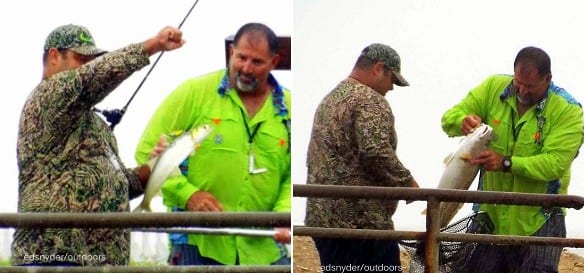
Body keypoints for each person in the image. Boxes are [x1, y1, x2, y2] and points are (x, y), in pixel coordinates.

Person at [12, 24, 185, 266]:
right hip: (53, 258)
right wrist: (153, 45)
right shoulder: (46, 98)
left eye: (92, 60)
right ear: (53, 57)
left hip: (101, 262)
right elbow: (93, 77)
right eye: (81, 59)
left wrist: (154, 167)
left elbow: (120, 186)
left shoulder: (96, 125)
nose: (88, 66)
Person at [134, 22, 291, 266]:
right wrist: (189, 195)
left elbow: (292, 173)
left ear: (274, 62)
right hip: (196, 241)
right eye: (241, 58)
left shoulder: (289, 107)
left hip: (264, 246)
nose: (246, 68)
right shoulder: (194, 92)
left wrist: (284, 213)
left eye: (257, 62)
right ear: (231, 53)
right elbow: (147, 151)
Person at [441, 46, 584, 273]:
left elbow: (555, 164)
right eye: (519, 82)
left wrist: (506, 162)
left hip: (540, 220)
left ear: (548, 79)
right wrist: (461, 120)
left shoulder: (568, 110)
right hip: (491, 216)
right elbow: (449, 117)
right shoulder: (492, 87)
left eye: (531, 86)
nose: (523, 90)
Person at [304, 43, 420, 273]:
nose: (392, 88)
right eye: (392, 80)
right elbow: (376, 151)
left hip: (323, 222)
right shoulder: (370, 99)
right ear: (379, 68)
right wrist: (407, 183)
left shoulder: (330, 99)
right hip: (362, 224)